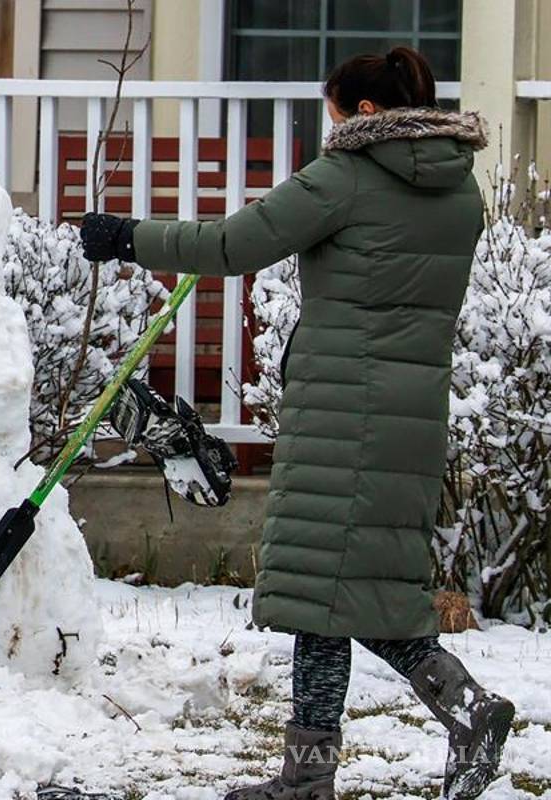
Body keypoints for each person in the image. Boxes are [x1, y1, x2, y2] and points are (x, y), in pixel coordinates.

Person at [81, 47, 514, 800]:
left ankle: (461, 713)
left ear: (368, 115)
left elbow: (228, 245)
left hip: (343, 415)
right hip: (408, 418)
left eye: (338, 110)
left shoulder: (347, 177)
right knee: (341, 596)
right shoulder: (461, 193)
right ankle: (311, 779)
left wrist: (126, 237)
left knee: (332, 594)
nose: (332, 124)